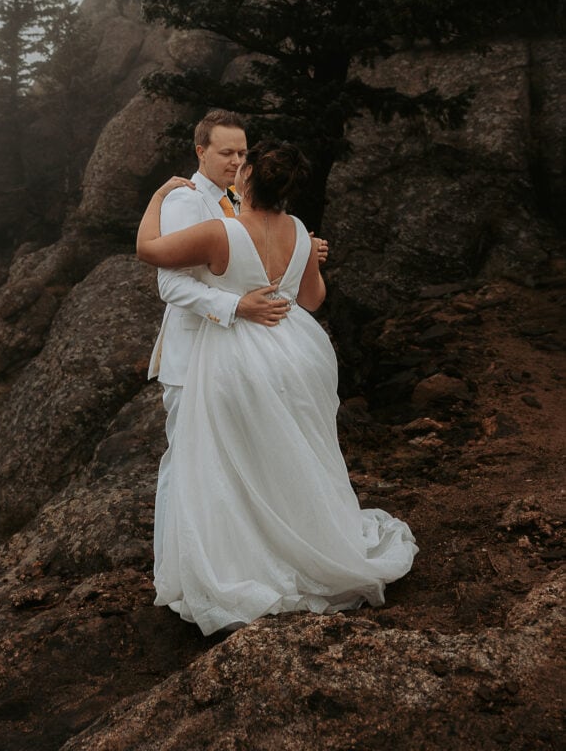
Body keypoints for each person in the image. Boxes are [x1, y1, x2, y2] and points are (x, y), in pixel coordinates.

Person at [137, 140, 418, 636]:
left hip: (236, 354)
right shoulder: (300, 234)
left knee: (229, 461)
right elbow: (311, 298)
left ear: (247, 180)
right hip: (297, 351)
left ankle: (247, 564)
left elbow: (149, 251)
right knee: (292, 456)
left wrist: (159, 198)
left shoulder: (221, 231)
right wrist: (303, 259)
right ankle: (307, 548)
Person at [148, 111, 312, 576]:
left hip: (244, 357)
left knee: (242, 465)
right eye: (226, 152)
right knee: (189, 464)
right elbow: (170, 285)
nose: (236, 159)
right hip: (193, 354)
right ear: (201, 152)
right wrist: (235, 305)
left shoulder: (242, 201)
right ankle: (191, 570)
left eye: (242, 152)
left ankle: (244, 563)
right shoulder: (185, 201)